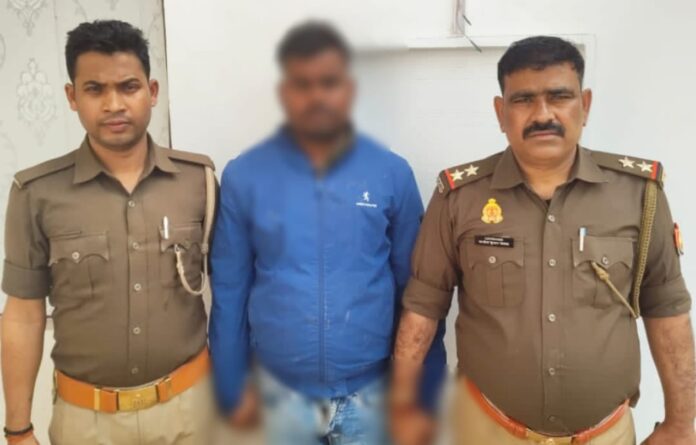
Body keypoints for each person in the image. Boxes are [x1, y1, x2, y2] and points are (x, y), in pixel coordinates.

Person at [389, 36, 695, 445]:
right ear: (501, 113)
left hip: (606, 434)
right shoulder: (459, 198)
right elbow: (423, 307)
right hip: (486, 430)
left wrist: (681, 423)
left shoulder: (639, 195)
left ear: (585, 105)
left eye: (559, 96)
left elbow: (667, 310)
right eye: (523, 100)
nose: (543, 114)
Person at [209, 21, 446, 445]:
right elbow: (229, 289)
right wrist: (229, 386)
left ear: (349, 89)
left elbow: (420, 291)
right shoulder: (244, 175)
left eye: (329, 83)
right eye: (302, 84)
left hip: (370, 395)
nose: (316, 96)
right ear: (285, 92)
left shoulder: (391, 173)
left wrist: (423, 391)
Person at [1, 20, 216, 445]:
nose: (114, 104)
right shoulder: (36, 193)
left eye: (128, 87)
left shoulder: (199, 181)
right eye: (95, 89)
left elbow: (231, 289)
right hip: (87, 423)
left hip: (191, 412)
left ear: (152, 91)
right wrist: (18, 428)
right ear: (72, 97)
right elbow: (23, 315)